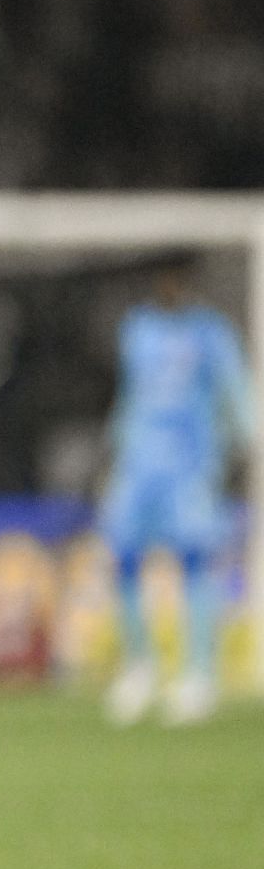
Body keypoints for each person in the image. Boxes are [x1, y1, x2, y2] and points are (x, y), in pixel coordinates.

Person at [101, 253, 253, 726]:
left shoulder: (211, 334)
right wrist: (114, 447)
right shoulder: (137, 329)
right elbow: (131, 396)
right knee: (123, 560)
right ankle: (139, 667)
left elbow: (237, 396)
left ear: (188, 282)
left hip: (190, 467)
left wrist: (244, 448)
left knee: (194, 563)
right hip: (138, 466)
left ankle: (199, 675)